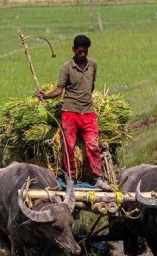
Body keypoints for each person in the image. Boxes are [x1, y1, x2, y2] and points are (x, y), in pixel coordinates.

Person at [37, 34, 111, 191]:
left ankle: (97, 178)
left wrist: (86, 99)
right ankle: (70, 176)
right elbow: (59, 90)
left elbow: (91, 86)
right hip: (70, 112)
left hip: (88, 112)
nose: (82, 54)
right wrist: (45, 95)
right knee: (69, 146)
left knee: (93, 146)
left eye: (85, 52)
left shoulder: (93, 64)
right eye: (79, 52)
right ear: (73, 50)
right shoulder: (66, 67)